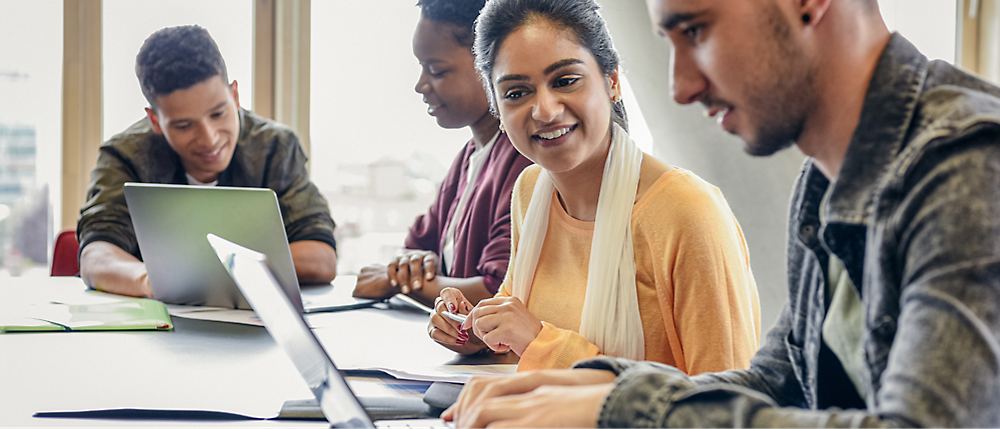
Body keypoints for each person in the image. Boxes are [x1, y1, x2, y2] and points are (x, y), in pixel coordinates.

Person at [442, 0, 1000, 427]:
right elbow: (779, 383)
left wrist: (629, 408)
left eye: (696, 31)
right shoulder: (824, 178)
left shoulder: (969, 168)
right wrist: (592, 388)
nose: (680, 87)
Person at [427, 0, 761, 373]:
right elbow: (522, 327)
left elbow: (727, 403)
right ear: (498, 112)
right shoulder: (530, 191)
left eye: (565, 81)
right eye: (517, 92)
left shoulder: (686, 211)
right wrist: (476, 331)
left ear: (612, 82)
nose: (546, 111)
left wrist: (541, 342)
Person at [78, 25, 338, 298]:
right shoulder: (124, 155)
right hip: (159, 328)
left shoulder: (275, 148)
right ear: (155, 121)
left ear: (235, 96)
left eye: (218, 113)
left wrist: (201, 273)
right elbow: (96, 255)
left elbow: (321, 257)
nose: (209, 138)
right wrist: (152, 282)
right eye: (183, 125)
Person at [352, 0, 533, 309]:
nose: (421, 85)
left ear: (489, 63)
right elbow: (416, 249)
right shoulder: (467, 158)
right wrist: (412, 268)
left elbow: (497, 292)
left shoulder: (525, 162)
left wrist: (396, 281)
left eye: (436, 70)